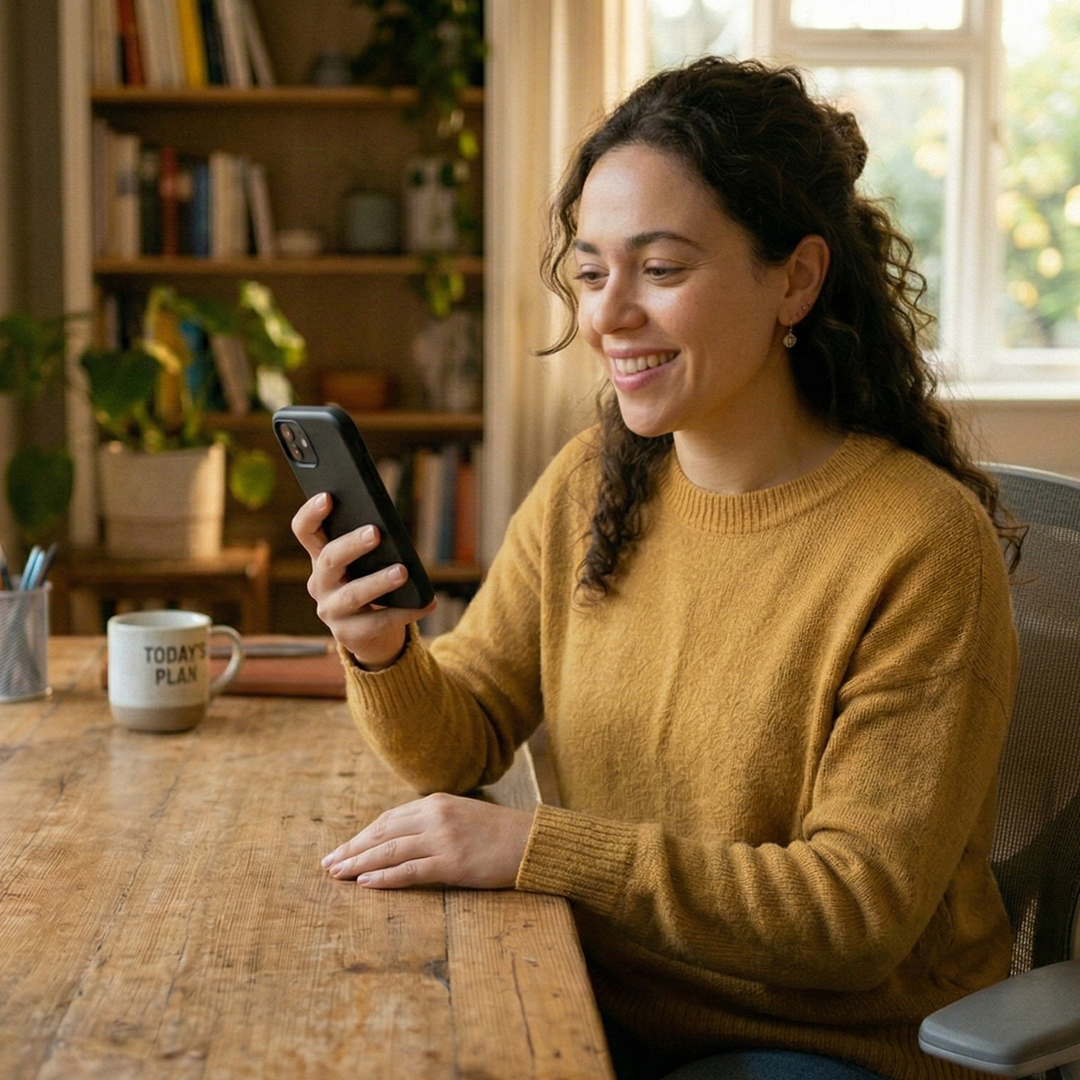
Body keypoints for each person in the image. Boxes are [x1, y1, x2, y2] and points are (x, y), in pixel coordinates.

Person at [292, 57, 1021, 1080]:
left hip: (832, 1050)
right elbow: (461, 741)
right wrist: (381, 648)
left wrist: (537, 850)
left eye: (662, 270)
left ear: (796, 279)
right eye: (592, 272)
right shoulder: (594, 482)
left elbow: (853, 915)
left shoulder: (921, 544)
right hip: (597, 1004)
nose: (606, 316)